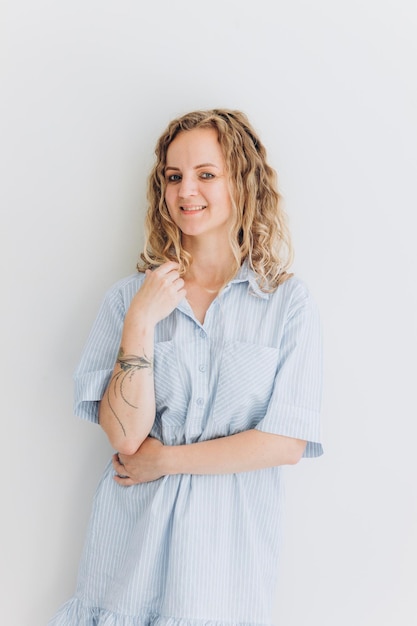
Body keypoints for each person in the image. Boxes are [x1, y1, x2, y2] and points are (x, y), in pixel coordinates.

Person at [49, 108, 323, 626]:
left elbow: (285, 442)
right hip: (128, 559)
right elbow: (126, 438)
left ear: (241, 182)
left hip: (222, 569)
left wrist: (168, 460)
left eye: (205, 174)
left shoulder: (286, 304)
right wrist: (141, 320)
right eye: (173, 176)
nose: (185, 190)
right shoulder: (129, 299)